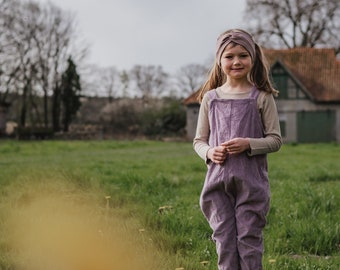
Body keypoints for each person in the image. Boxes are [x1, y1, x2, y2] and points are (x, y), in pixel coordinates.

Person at [193, 29, 282, 270]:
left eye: (243, 55)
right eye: (229, 56)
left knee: (249, 241)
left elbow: (275, 140)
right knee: (224, 242)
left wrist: (249, 144)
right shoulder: (210, 99)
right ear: (220, 61)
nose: (236, 61)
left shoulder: (262, 97)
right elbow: (199, 141)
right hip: (217, 184)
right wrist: (210, 152)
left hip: (251, 183)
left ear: (252, 58)